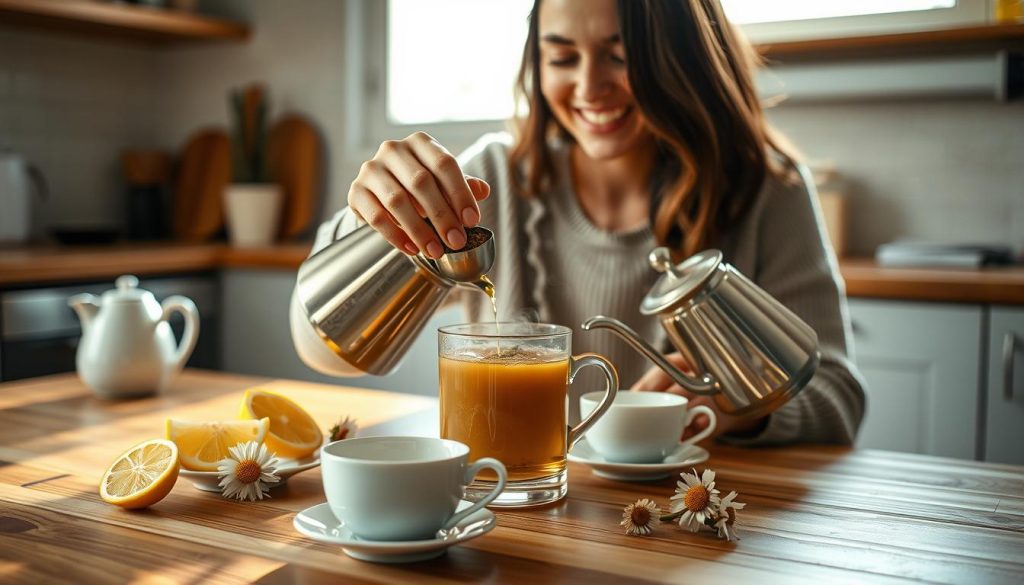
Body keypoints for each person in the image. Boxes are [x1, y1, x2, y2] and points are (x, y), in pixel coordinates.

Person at [291, 0, 866, 445]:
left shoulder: (769, 189)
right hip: (521, 514)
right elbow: (317, 348)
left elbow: (837, 400)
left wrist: (733, 408)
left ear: (682, 57)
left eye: (622, 56)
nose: (590, 88)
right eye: (562, 57)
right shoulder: (488, 181)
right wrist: (372, 219)